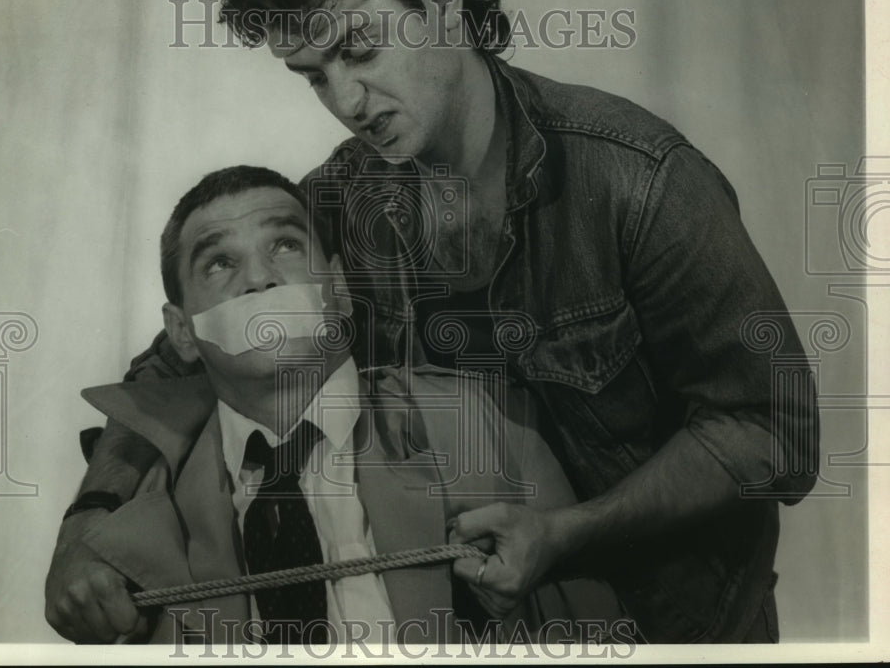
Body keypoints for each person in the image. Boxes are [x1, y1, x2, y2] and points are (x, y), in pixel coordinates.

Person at [46, 0, 816, 644]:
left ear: (441, 0)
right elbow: (177, 360)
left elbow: (773, 431)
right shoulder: (341, 201)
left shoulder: (641, 180)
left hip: (676, 627)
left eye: (362, 51)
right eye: (315, 77)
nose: (345, 102)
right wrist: (86, 527)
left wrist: (569, 532)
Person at [47, 165, 626, 646]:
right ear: (180, 333)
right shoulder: (136, 532)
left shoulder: (491, 426)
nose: (260, 280)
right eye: (219, 263)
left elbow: (595, 635)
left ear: (340, 292)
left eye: (286, 245)